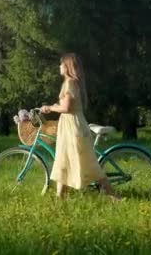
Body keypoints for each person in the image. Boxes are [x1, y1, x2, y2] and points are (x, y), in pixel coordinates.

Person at [41, 53, 121, 201]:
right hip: (70, 124)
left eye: (61, 64)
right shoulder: (72, 82)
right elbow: (68, 107)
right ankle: (60, 197)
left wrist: (50, 108)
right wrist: (53, 107)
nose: (59, 67)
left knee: (86, 162)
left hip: (73, 126)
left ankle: (113, 195)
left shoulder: (70, 83)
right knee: (63, 160)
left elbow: (66, 108)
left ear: (67, 67)